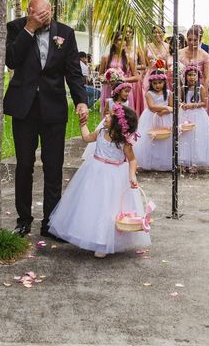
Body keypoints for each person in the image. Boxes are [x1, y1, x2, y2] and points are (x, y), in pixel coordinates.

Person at [4, 0, 88, 239]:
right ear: (30, 11)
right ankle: (23, 219)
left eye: (47, 13)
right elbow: (11, 59)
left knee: (54, 167)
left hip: (53, 109)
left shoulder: (65, 33)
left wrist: (81, 101)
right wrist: (30, 28)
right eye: (39, 15)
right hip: (24, 108)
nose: (45, 18)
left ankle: (51, 221)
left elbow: (73, 72)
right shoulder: (16, 28)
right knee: (24, 165)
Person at [49, 104, 150, 258]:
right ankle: (90, 235)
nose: (105, 117)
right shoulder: (101, 132)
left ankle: (103, 242)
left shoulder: (124, 142)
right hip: (94, 172)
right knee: (91, 205)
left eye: (109, 116)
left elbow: (132, 160)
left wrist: (132, 175)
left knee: (108, 208)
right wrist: (83, 125)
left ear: (117, 122)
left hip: (113, 177)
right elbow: (86, 138)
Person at [179, 65, 209, 172]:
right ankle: (185, 161)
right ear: (185, 76)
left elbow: (204, 103)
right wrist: (182, 104)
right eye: (189, 75)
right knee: (185, 137)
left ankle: (195, 162)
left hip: (198, 115)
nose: (192, 77)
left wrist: (193, 105)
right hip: (185, 114)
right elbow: (179, 100)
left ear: (198, 77)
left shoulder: (200, 88)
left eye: (194, 75)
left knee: (196, 137)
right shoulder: (182, 88)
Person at [134, 69, 173, 171]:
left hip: (166, 117)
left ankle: (164, 161)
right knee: (151, 138)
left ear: (164, 82)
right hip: (151, 117)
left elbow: (172, 107)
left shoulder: (168, 93)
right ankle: (151, 160)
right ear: (151, 83)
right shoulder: (149, 93)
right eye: (155, 83)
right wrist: (164, 108)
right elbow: (151, 107)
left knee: (165, 138)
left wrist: (164, 112)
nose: (157, 85)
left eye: (160, 83)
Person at [82, 80, 132, 160]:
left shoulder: (126, 103)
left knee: (120, 142)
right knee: (104, 138)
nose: (127, 94)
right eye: (125, 91)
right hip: (108, 121)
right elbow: (105, 112)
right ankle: (101, 153)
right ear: (118, 91)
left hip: (120, 124)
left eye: (128, 92)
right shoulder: (109, 101)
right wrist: (109, 116)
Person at [98, 30, 139, 117]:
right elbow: (99, 76)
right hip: (109, 89)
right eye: (120, 39)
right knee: (109, 115)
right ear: (114, 42)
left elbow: (136, 77)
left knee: (125, 116)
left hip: (124, 90)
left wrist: (123, 79)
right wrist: (107, 79)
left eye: (125, 40)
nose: (123, 42)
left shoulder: (129, 58)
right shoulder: (106, 58)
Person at [179, 25, 209, 94]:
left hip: (198, 89)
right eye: (189, 39)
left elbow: (207, 77)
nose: (192, 43)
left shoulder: (205, 55)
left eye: (195, 40)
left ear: (200, 40)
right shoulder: (179, 53)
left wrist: (204, 92)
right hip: (182, 89)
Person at [123, 25, 145, 116]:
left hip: (134, 79)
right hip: (123, 77)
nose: (128, 34)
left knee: (134, 102)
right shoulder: (120, 48)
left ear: (132, 34)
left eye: (130, 32)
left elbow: (144, 65)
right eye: (126, 32)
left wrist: (134, 67)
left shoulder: (137, 48)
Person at [143, 24, 172, 91]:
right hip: (150, 74)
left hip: (163, 74)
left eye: (159, 32)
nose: (157, 34)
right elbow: (145, 63)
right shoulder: (148, 47)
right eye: (155, 32)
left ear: (164, 33)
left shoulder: (168, 47)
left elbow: (169, 64)